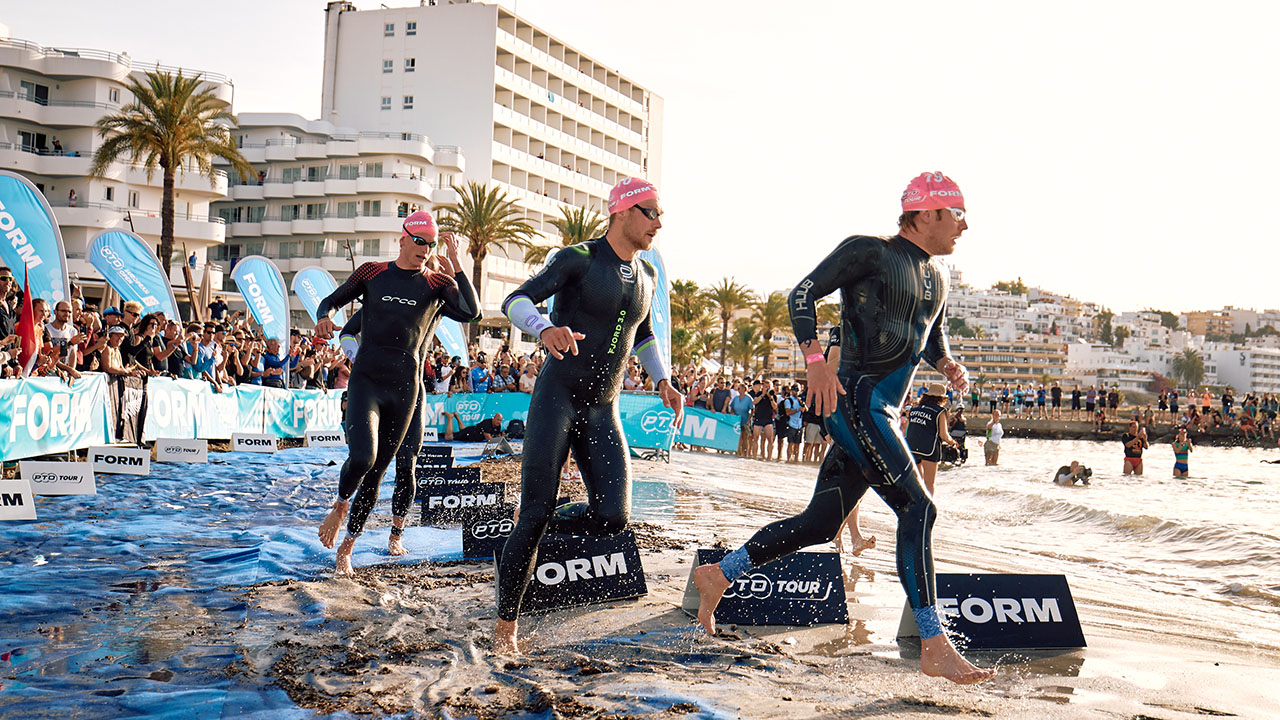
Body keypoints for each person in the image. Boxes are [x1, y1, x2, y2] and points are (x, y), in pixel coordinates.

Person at [692, 171, 993, 684]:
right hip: (855, 400)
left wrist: (947, 366)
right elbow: (802, 295)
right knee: (919, 507)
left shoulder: (938, 278)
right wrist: (814, 359)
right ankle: (934, 643)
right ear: (925, 214)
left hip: (883, 410)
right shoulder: (869, 251)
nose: (965, 226)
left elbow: (931, 337)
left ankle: (720, 574)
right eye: (957, 214)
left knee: (818, 524)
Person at [494, 177, 682, 654]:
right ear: (622, 212)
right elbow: (515, 300)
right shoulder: (578, 258)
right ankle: (505, 627)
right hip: (559, 397)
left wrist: (661, 379)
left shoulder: (648, 275)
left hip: (604, 407)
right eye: (651, 211)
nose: (659, 222)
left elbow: (641, 337)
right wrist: (545, 328)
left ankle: (533, 527)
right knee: (534, 509)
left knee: (612, 517)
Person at [313, 210, 480, 574]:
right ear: (403, 238)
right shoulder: (374, 272)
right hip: (367, 383)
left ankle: (349, 547)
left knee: (387, 471)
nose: (425, 249)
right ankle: (341, 504)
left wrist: (455, 261)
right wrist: (324, 317)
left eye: (431, 244)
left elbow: (472, 312)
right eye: (420, 241)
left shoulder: (437, 284)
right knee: (361, 459)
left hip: (406, 390)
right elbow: (332, 302)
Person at [905, 383, 957, 495]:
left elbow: (907, 428)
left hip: (912, 448)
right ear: (942, 398)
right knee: (929, 484)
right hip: (929, 449)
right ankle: (928, 510)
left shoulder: (914, 409)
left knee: (918, 483)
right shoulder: (939, 411)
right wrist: (952, 442)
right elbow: (944, 435)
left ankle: (916, 506)